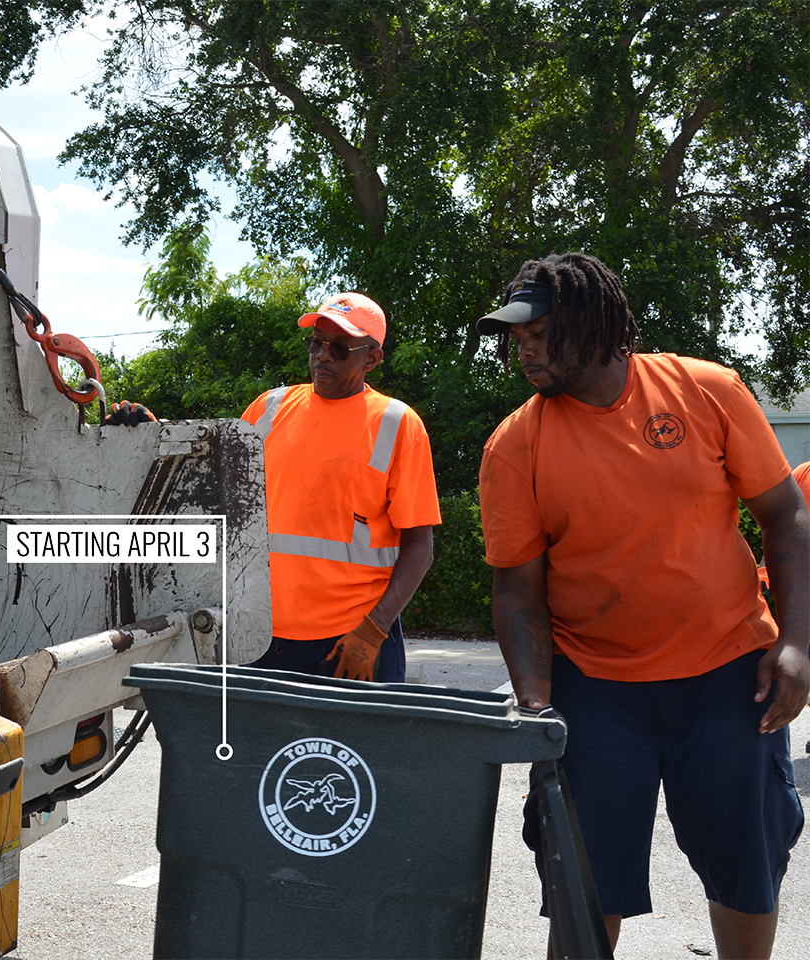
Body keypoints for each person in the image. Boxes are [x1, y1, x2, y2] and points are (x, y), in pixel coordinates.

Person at [476, 252, 810, 959]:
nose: (524, 350)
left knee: (747, 861)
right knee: (584, 875)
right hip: (594, 688)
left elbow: (786, 516)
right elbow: (518, 589)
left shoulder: (706, 391)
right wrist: (535, 704)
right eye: (517, 337)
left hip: (729, 673)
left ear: (594, 325)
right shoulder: (515, 445)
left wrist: (797, 643)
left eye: (539, 334)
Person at [238, 292, 440, 682]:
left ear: (371, 359)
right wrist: (148, 433)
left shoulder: (397, 424)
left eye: (340, 348)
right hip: (262, 637)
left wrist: (374, 630)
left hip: (352, 640)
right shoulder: (268, 409)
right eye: (316, 343)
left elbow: (420, 546)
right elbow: (208, 479)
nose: (323, 356)